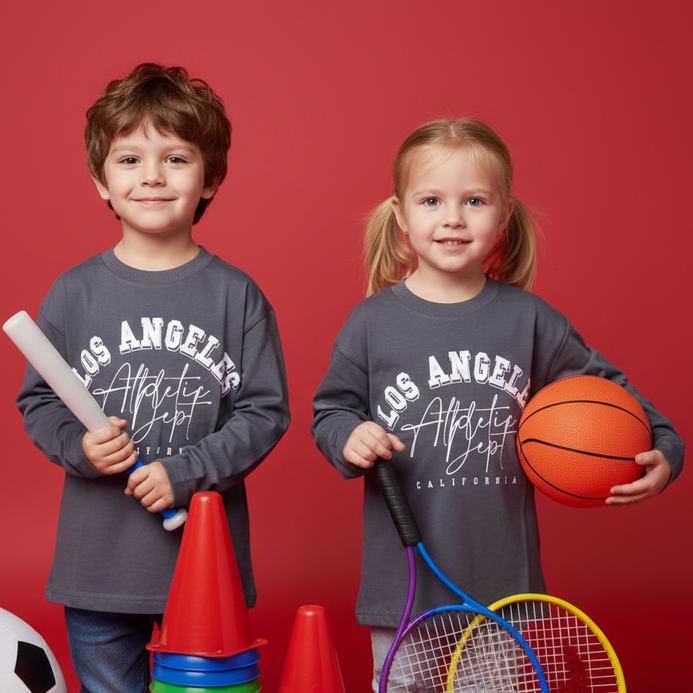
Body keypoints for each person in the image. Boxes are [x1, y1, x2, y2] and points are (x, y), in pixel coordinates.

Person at [311, 117, 684, 691]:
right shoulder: (371, 323)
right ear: (401, 215)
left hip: (502, 589)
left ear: (503, 215)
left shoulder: (530, 320)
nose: (453, 218)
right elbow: (331, 411)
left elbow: (614, 394)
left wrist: (664, 447)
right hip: (403, 583)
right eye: (431, 200)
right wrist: (348, 436)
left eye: (474, 201)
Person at [16, 63, 290, 693]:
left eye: (175, 158)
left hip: (203, 567)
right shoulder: (73, 294)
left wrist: (185, 472)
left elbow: (265, 413)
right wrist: (80, 446)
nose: (152, 176)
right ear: (101, 181)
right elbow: (39, 401)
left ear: (210, 176)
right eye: (129, 159)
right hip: (99, 564)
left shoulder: (236, 296)